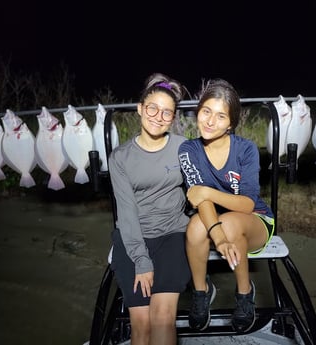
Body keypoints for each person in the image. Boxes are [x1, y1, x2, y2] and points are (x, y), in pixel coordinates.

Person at [178, 78, 274, 333]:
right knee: (195, 228)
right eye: (206, 111)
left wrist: (208, 191)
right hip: (215, 222)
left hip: (254, 220)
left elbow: (247, 203)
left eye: (221, 116)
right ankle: (201, 291)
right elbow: (201, 202)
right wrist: (218, 238)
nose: (210, 121)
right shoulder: (188, 149)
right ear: (198, 112)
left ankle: (245, 293)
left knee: (230, 222)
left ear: (231, 123)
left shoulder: (246, 149)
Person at [108, 73, 191, 345]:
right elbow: (127, 213)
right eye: (152, 108)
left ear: (174, 117)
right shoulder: (120, 157)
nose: (158, 116)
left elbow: (203, 189)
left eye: (167, 112)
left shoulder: (184, 149)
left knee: (163, 317)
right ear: (140, 109)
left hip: (171, 234)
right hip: (134, 238)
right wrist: (141, 259)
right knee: (142, 326)